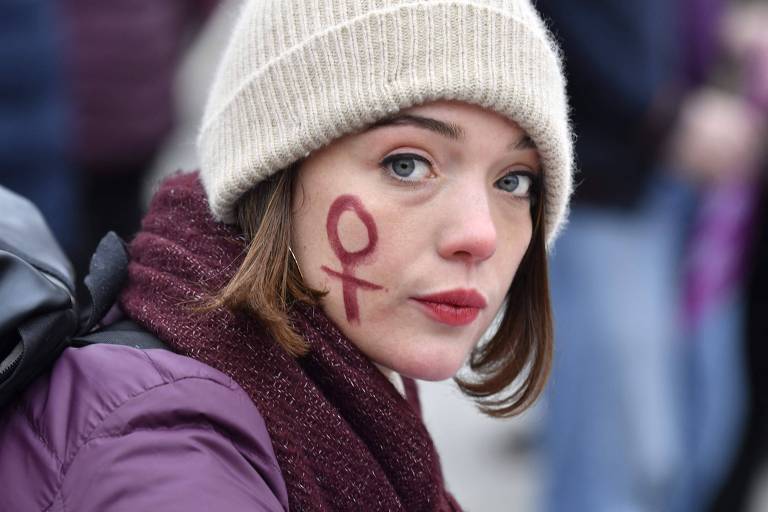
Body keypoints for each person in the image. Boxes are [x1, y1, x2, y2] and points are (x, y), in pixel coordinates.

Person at [0, 0, 573, 510]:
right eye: (407, 163)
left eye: (515, 180)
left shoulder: (350, 395)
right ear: (273, 174)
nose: (480, 234)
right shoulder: (165, 449)